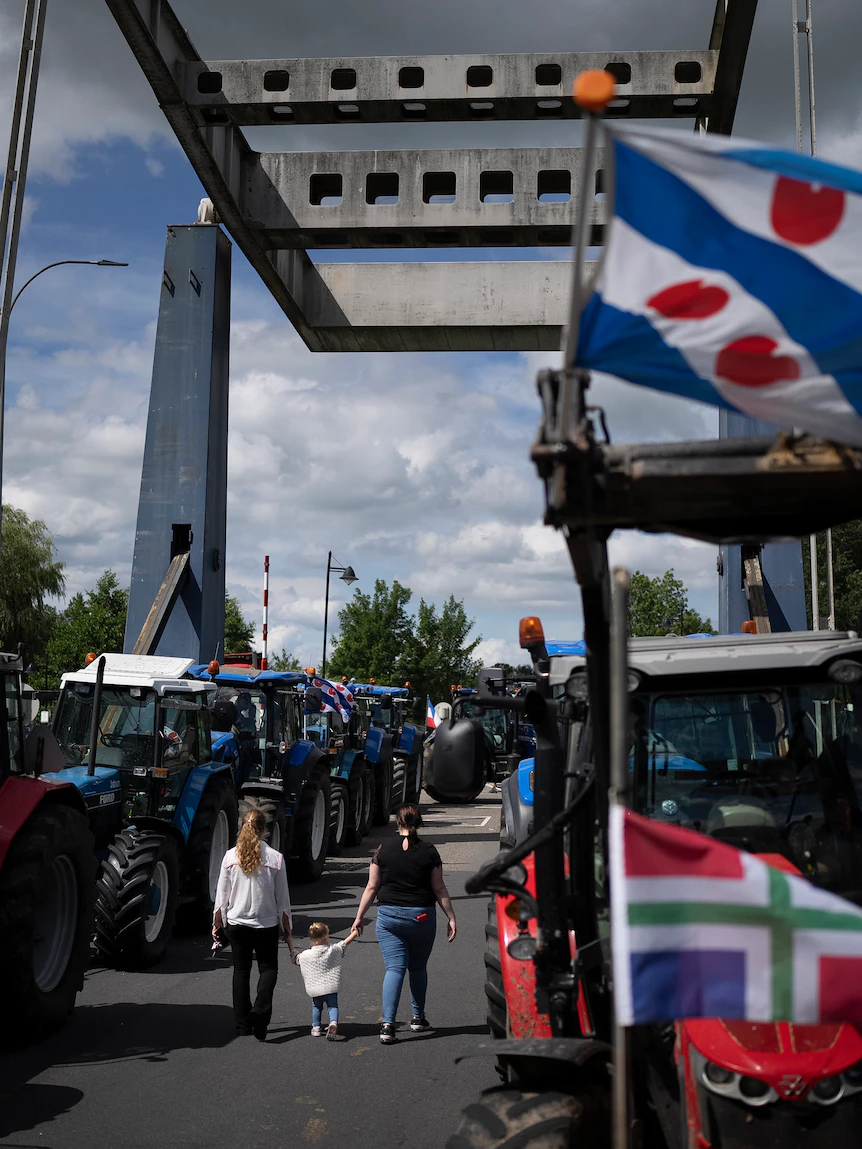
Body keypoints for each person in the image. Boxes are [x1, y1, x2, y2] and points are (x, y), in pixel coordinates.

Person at [352, 804, 456, 1044]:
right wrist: (451, 916)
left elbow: (371, 886)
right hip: (420, 917)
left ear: (397, 822)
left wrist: (359, 917)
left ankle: (387, 1025)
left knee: (394, 969)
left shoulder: (383, 849)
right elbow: (439, 888)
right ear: (419, 823)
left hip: (389, 918)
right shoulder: (430, 851)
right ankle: (418, 1018)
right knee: (417, 968)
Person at [213, 808, 294, 1040]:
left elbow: (222, 896)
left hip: (237, 923)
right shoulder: (276, 859)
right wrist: (286, 927)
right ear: (264, 830)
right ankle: (260, 1011)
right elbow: (283, 899)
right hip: (266, 923)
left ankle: (243, 1025)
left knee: (241, 971)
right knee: (268, 969)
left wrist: (217, 923)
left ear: (241, 827)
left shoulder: (229, 857)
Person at [294, 921, 359, 1039]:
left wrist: (289, 941)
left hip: (315, 989)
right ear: (326, 936)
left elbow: (295, 957)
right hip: (331, 986)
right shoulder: (333, 950)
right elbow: (344, 943)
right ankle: (333, 1022)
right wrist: (354, 933)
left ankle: (316, 1028)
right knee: (332, 1006)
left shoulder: (306, 955)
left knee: (316, 1007)